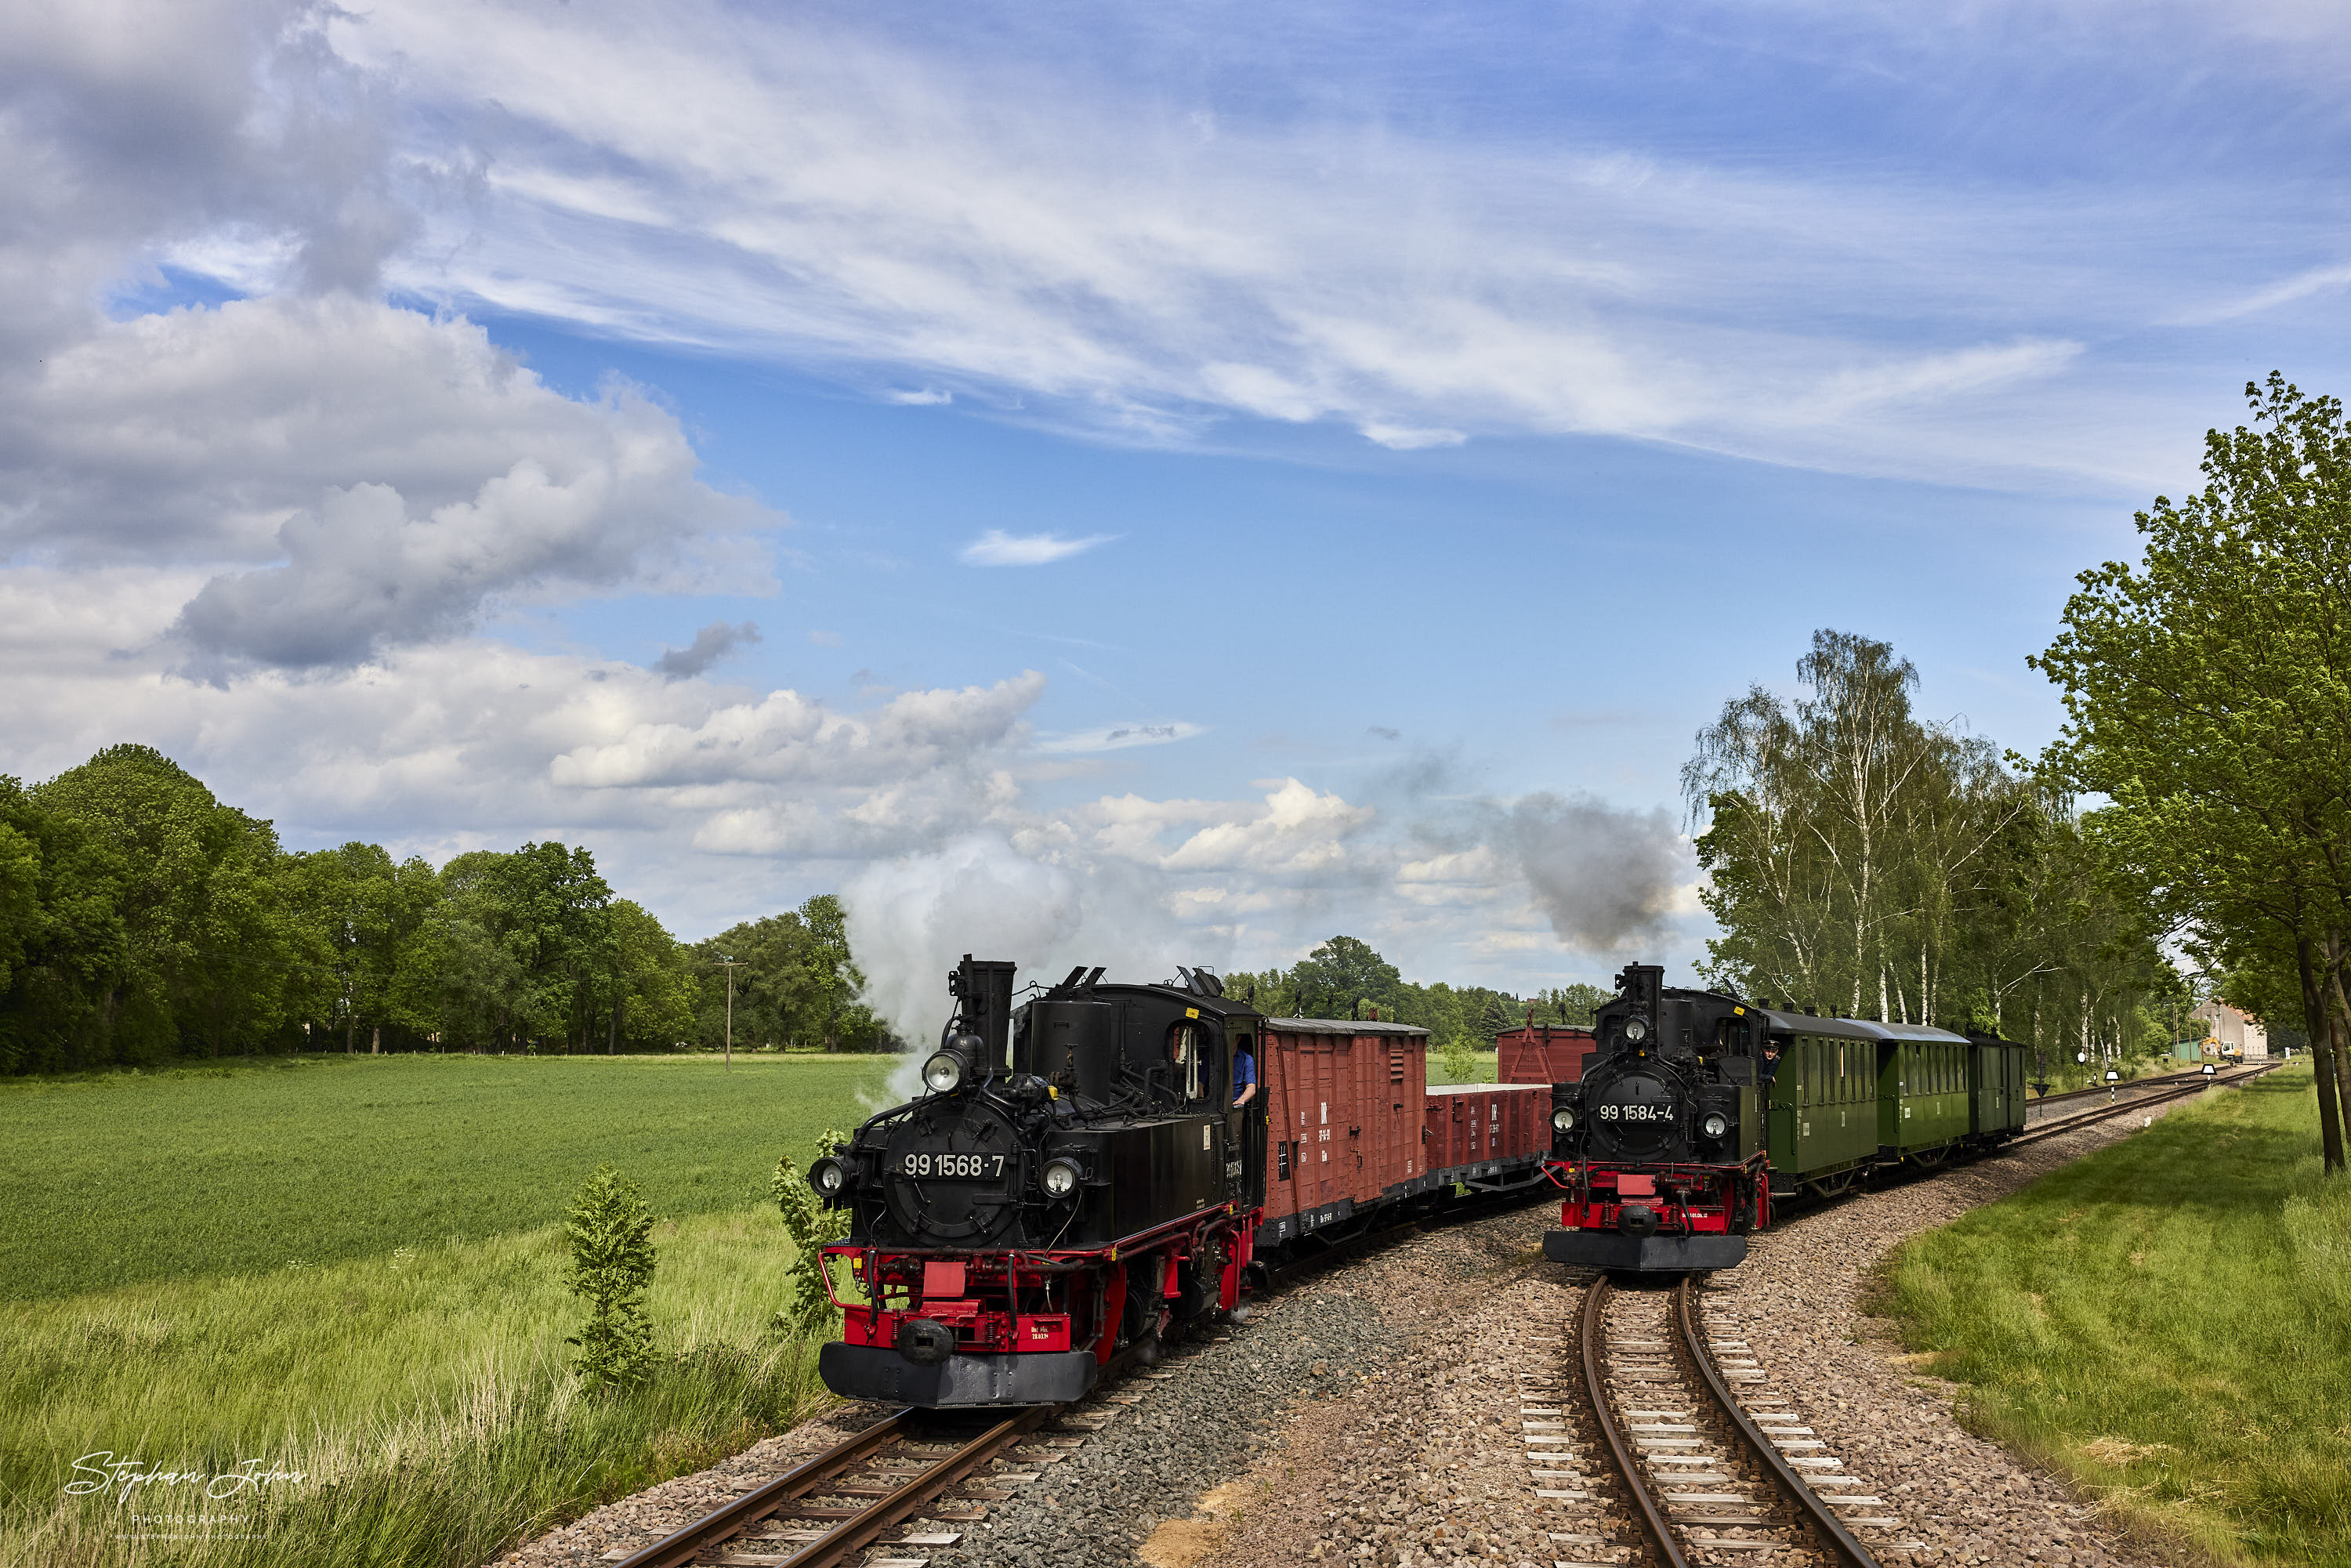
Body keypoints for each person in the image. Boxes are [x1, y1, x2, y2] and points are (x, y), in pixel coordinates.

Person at [1232, 1041, 1257, 1109]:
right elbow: (1200, 1083)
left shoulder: (1247, 1059)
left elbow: (1251, 1088)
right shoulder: (1209, 1057)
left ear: (1238, 1038)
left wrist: (1241, 1100)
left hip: (1235, 1103)